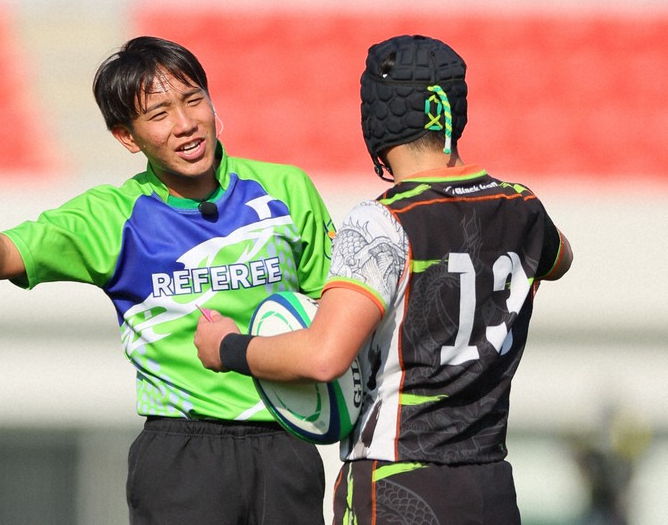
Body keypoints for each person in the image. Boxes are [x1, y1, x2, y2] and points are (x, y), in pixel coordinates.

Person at [0, 35, 336, 525]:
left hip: (288, 448)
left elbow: (335, 308)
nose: (185, 124)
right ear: (127, 137)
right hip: (182, 455)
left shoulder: (287, 189)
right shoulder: (110, 216)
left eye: (194, 99)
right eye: (158, 114)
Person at [194, 34, 573, 524]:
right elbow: (560, 259)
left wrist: (228, 348)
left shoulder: (381, 221)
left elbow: (323, 356)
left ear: (375, 118)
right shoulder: (523, 206)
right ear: (454, 112)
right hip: (490, 485)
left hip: (399, 480)